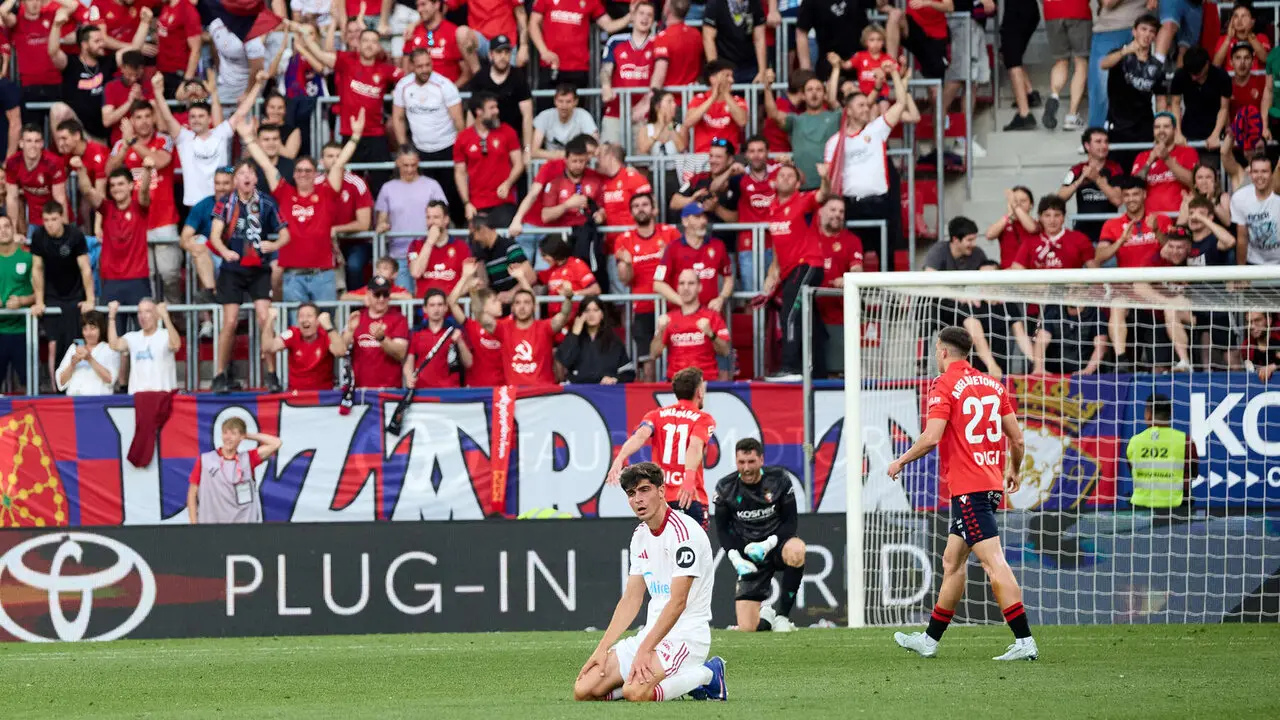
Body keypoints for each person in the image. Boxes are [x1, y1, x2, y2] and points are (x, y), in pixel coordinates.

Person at [889, 326, 1038, 662]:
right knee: (952, 561)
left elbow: (931, 437)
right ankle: (929, 640)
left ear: (942, 351)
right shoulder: (992, 384)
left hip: (969, 491)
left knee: (993, 561)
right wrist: (1013, 470)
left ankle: (1025, 640)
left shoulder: (944, 385)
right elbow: (1016, 439)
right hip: (990, 486)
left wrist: (900, 461)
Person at [572, 461, 725, 704]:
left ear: (661, 491)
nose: (638, 500)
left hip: (686, 638)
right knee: (584, 690)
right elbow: (631, 599)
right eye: (631, 494)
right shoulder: (640, 536)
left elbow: (677, 602)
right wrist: (602, 648)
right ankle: (648, 679)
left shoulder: (685, 535)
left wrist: (644, 651)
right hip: (651, 635)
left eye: (644, 490)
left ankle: (708, 675)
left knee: (637, 693)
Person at [243, 110, 361, 306]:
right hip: (293, 276)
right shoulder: (285, 193)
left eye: (308, 170)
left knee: (325, 326)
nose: (303, 174)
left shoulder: (327, 193)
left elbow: (339, 163)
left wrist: (355, 136)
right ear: (294, 174)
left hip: (323, 275)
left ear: (316, 173)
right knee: (297, 329)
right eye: (299, 170)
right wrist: (248, 138)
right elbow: (265, 164)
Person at [208, 160, 291, 393]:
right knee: (230, 321)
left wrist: (272, 244)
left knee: (265, 318)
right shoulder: (226, 203)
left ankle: (272, 375)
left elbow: (286, 234)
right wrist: (224, 251)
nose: (245, 177)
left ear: (255, 179)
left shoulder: (265, 202)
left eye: (250, 173)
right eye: (241, 173)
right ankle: (219, 375)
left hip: (258, 269)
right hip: (232, 270)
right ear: (235, 180)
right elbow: (214, 235)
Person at [825, 65, 912, 269]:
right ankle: (857, 302)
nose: (866, 109)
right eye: (861, 105)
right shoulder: (835, 142)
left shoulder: (876, 130)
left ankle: (889, 301)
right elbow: (830, 178)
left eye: (867, 105)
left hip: (879, 204)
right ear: (848, 110)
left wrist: (895, 76)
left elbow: (900, 103)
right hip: (851, 207)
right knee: (853, 261)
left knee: (886, 261)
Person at [715, 437, 805, 633]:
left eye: (751, 462)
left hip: (776, 547)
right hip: (750, 555)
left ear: (761, 460)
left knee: (797, 549)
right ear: (736, 461)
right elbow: (723, 529)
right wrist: (736, 557)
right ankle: (767, 617)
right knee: (748, 628)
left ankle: (782, 617)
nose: (746, 468)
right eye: (741, 462)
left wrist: (767, 545)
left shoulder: (779, 479)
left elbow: (790, 523)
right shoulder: (725, 487)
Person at [294, 25, 402, 188]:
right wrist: (307, 38)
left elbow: (408, 78)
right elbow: (321, 55)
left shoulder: (385, 69)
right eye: (365, 40)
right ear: (358, 43)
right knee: (348, 183)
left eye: (374, 41)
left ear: (379, 46)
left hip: (376, 135)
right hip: (350, 134)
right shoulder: (346, 61)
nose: (369, 44)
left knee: (382, 181)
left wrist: (398, 90)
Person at [607, 366, 716, 527]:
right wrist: (689, 479)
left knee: (661, 550)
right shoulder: (703, 418)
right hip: (690, 496)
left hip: (660, 499)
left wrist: (620, 458)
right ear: (699, 391)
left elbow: (640, 435)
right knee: (696, 550)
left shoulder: (656, 415)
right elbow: (694, 446)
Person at [760, 161, 831, 381]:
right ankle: (819, 371)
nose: (786, 179)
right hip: (790, 270)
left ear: (799, 183)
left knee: (790, 312)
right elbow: (777, 248)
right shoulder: (772, 209)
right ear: (774, 180)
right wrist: (772, 275)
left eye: (791, 176)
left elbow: (823, 196)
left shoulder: (803, 200)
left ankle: (790, 367)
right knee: (810, 319)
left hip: (808, 264)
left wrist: (825, 178)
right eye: (782, 175)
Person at [106, 100, 182, 304]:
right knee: (145, 278)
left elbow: (159, 162)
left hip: (164, 220)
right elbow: (109, 171)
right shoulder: (121, 145)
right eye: (138, 117)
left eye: (148, 116)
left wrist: (133, 143)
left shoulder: (164, 140)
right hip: (136, 224)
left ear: (154, 118)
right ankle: (154, 322)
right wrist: (124, 148)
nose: (144, 122)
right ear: (131, 121)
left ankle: (175, 316)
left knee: (170, 274)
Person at [154, 70, 260, 211]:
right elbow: (167, 117)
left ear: (209, 118)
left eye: (201, 116)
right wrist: (157, 92)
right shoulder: (184, 138)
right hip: (195, 206)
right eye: (193, 117)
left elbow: (242, 111)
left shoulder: (220, 133)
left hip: (222, 204)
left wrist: (258, 84)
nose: (196, 119)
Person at [392, 47, 465, 218]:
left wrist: (461, 150)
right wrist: (404, 149)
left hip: (447, 148)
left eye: (428, 65)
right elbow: (398, 118)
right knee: (424, 198)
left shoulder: (445, 85)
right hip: (420, 151)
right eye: (420, 66)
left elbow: (459, 121)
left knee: (452, 196)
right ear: (411, 66)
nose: (425, 70)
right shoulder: (403, 86)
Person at [78, 162, 152, 328]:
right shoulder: (107, 208)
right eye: (112, 185)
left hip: (137, 279)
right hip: (111, 282)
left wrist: (147, 170)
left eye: (120, 184)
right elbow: (87, 191)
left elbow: (145, 192)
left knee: (144, 334)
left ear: (131, 185)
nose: (116, 188)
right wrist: (80, 170)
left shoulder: (139, 208)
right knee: (112, 338)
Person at [616, 193, 681, 381]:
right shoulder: (624, 240)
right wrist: (627, 264)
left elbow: (683, 267)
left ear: (654, 210)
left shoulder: (669, 233)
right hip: (643, 308)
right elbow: (624, 280)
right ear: (631, 212)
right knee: (648, 363)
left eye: (645, 204)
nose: (641, 209)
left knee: (675, 361)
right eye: (636, 206)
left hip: (672, 306)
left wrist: (668, 257)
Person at [30, 201, 95, 388]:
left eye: (54, 219)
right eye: (46, 220)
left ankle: (74, 385)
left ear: (62, 218)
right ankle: (55, 386)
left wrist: (90, 299)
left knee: (75, 342)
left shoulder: (75, 235)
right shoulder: (38, 236)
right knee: (53, 344)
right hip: (52, 295)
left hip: (75, 294)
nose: (49, 223)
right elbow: (37, 269)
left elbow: (85, 268)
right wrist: (39, 301)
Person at [375, 148, 449, 287]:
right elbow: (381, 219)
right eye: (405, 165)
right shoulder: (387, 188)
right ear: (397, 163)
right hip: (399, 255)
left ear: (418, 163)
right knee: (404, 299)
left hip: (428, 253)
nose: (410, 170)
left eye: (413, 165)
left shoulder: (432, 185)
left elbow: (443, 215)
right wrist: (382, 225)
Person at [186, 417, 282, 525]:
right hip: (212, 526)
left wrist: (247, 435)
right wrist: (194, 525)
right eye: (225, 433)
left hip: (243, 526)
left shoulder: (248, 458)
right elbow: (192, 493)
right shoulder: (206, 460)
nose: (228, 437)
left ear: (241, 437)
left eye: (233, 433)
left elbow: (276, 443)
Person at [762, 66, 840, 193]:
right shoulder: (796, 120)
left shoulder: (835, 117)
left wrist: (836, 70)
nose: (814, 93)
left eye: (818, 89)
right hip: (803, 188)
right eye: (809, 90)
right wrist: (767, 87)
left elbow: (838, 104)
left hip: (831, 186)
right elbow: (773, 113)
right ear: (803, 95)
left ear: (824, 94)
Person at [1100, 15, 1165, 168]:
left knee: (1141, 173)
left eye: (1151, 31)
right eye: (1143, 29)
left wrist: (1160, 129)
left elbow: (1161, 100)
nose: (1147, 34)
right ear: (1134, 31)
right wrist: (1125, 51)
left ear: (1155, 36)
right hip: (1118, 126)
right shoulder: (1120, 55)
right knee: (1117, 172)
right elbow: (1104, 64)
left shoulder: (1157, 66)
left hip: (1144, 128)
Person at [454, 92, 524, 227]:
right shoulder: (463, 138)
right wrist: (467, 203)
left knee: (502, 240)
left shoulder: (508, 132)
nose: (496, 111)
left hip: (504, 201)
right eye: (491, 108)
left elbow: (518, 164)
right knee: (476, 243)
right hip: (477, 204)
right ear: (479, 112)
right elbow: (460, 173)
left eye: (496, 107)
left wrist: (508, 183)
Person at [528, 0, 627, 94]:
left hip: (578, 67)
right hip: (551, 65)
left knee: (577, 111)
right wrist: (543, 51)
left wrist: (630, 17)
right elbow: (533, 23)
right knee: (547, 109)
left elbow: (608, 26)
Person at [812, 196, 863, 377]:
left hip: (837, 317)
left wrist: (846, 278)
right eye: (833, 210)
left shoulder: (851, 240)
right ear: (821, 212)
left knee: (837, 372)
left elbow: (857, 269)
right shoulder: (809, 238)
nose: (838, 215)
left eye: (841, 211)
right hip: (810, 316)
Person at [651, 268, 731, 382]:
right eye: (682, 283)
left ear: (700, 287)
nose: (686, 288)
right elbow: (654, 354)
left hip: (705, 382)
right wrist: (660, 331)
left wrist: (710, 334)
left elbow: (725, 351)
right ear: (677, 288)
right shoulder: (669, 318)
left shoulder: (712, 316)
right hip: (676, 383)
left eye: (691, 283)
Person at [653, 204, 733, 313]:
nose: (703, 221)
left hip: (709, 315)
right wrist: (684, 302)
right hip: (680, 315)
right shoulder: (672, 248)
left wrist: (721, 298)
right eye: (697, 217)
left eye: (704, 217)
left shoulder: (718, 246)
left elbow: (728, 278)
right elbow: (657, 283)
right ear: (685, 221)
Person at [1125, 393, 1197, 515]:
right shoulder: (1185, 441)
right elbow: (1193, 474)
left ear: (1148, 414)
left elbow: (1132, 471)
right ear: (1170, 415)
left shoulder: (1134, 442)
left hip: (1141, 508)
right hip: (1176, 507)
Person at [464, 35, 534, 155]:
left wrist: (527, 151)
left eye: (507, 52)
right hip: (485, 139)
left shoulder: (518, 77)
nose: (503, 56)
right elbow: (472, 113)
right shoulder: (480, 78)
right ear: (491, 55)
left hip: (513, 141)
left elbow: (527, 116)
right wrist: (469, 143)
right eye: (499, 52)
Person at [489, 285, 574, 385]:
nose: (522, 307)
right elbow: (482, 318)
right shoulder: (503, 328)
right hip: (515, 394)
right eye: (517, 303)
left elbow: (564, 315)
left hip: (543, 393)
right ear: (512, 308)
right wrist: (474, 293)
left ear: (534, 307)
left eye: (527, 302)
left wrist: (568, 299)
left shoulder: (545, 327)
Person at [599, 1, 656, 145]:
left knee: (643, 163)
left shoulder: (657, 44)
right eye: (641, 13)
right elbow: (606, 69)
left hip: (644, 115)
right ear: (633, 16)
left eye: (649, 15)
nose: (645, 18)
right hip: (615, 113)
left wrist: (646, 105)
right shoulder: (615, 41)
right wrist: (606, 85)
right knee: (610, 159)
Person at [48, 13, 110, 143]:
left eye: (102, 40)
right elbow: (53, 52)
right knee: (58, 109)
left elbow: (131, 52)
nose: (102, 44)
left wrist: (144, 23)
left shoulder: (107, 62)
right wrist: (56, 26)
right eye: (97, 41)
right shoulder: (71, 63)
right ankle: (63, 151)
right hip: (78, 135)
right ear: (84, 44)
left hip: (102, 137)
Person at [342, 275, 411, 388]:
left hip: (389, 389)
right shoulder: (357, 317)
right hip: (359, 390)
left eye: (385, 294)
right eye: (377, 294)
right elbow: (341, 351)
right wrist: (349, 331)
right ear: (368, 294)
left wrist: (382, 339)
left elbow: (400, 353)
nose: (381, 299)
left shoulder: (399, 319)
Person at [261, 303, 347, 391]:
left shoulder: (326, 335)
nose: (304, 320)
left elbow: (341, 352)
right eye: (301, 316)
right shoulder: (292, 334)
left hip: (323, 396)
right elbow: (268, 347)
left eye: (309, 316)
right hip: (296, 397)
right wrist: (269, 319)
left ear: (318, 321)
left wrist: (329, 327)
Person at [1058, 128, 1123, 242]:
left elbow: (1118, 200)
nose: (1104, 145)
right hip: (1083, 235)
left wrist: (1097, 179)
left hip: (1110, 235)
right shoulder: (1077, 169)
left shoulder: (1115, 169)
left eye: (1106, 141)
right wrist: (1079, 181)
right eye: (1098, 142)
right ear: (1087, 146)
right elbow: (1059, 198)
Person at [107, 298, 180, 393]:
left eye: (147, 312)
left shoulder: (166, 334)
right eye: (140, 312)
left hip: (162, 396)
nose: (143, 316)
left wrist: (165, 316)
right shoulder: (133, 337)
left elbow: (176, 345)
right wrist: (112, 317)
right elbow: (114, 345)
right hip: (138, 396)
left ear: (157, 314)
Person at [6, 124, 68, 235]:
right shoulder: (13, 163)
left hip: (56, 218)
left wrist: (64, 231)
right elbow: (12, 198)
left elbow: (60, 198)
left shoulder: (53, 162)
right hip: (34, 222)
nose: (33, 145)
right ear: (21, 144)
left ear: (42, 144)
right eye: (29, 141)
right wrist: (13, 231)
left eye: (37, 141)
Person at [557, 295, 635, 383]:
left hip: (604, 390)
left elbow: (629, 373)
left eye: (595, 310)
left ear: (602, 314)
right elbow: (564, 361)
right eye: (587, 310)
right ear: (581, 315)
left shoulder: (613, 340)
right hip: (578, 390)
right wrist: (575, 334)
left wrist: (615, 379)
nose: (591, 314)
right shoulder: (573, 337)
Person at [447, 272, 506, 387]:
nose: (500, 303)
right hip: (477, 387)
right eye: (494, 301)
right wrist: (465, 277)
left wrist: (522, 278)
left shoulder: (507, 325)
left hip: (502, 388)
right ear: (484, 307)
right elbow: (451, 302)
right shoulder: (472, 326)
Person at [400, 0, 481, 85]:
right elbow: (406, 70)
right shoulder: (412, 33)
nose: (419, 9)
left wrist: (450, 91)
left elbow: (467, 73)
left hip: (447, 92)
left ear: (437, 4)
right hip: (420, 93)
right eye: (418, 6)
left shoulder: (453, 32)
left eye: (423, 4)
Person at [405, 289, 472, 388]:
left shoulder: (456, 331)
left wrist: (460, 341)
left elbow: (469, 363)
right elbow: (409, 363)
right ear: (425, 309)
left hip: (450, 392)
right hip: (422, 391)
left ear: (446, 307)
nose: (436, 309)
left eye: (440, 305)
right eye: (432, 305)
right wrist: (409, 377)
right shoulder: (416, 332)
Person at [1041, 0, 1092, 130]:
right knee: (1081, 62)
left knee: (1061, 61)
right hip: (1077, 8)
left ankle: (1054, 95)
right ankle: (1072, 116)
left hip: (1052, 10)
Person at [1010, 196, 1096, 270]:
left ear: (1063, 217)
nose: (1052, 221)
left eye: (1057, 215)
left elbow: (1095, 273)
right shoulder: (1030, 242)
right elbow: (1016, 272)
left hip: (1071, 288)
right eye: (1047, 215)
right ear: (1040, 217)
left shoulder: (1079, 239)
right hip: (1038, 289)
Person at [1168, 47, 1231, 148]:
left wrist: (1215, 135)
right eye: (1191, 74)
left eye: (1197, 73)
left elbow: (1224, 108)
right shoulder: (1181, 75)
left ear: (1207, 64)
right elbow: (1175, 104)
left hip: (1214, 129)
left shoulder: (1221, 76)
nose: (1193, 78)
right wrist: (1177, 133)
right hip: (1188, 130)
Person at [408, 201, 470, 298]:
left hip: (451, 308)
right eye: (428, 217)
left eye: (436, 217)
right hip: (424, 310)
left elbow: (468, 282)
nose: (431, 222)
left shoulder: (461, 246)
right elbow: (416, 273)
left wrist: (449, 299)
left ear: (446, 219)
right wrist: (429, 242)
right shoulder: (415, 245)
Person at [470, 215, 536, 303]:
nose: (473, 239)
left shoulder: (509, 247)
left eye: (473, 234)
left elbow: (531, 276)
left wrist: (511, 293)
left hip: (514, 305)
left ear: (482, 230)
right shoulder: (483, 254)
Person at [0, 215, 33, 392]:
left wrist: (22, 301)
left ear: (13, 230)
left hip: (23, 331)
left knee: (27, 384)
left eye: (6, 226)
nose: (3, 231)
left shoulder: (28, 258)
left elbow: (40, 294)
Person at [686, 61, 748, 154]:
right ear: (713, 79)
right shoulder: (699, 99)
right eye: (727, 76)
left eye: (732, 76)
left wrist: (726, 94)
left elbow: (742, 121)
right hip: (703, 157)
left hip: (729, 157)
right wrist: (712, 98)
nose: (732, 80)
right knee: (685, 164)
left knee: (738, 167)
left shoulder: (738, 100)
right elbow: (688, 122)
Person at [1230, 154, 1280, 266]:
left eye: (1264, 171)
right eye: (1255, 171)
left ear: (1272, 174)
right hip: (1254, 262)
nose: (1259, 176)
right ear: (1250, 174)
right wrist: (1241, 273)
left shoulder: (1278, 196)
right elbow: (1242, 238)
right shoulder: (1240, 198)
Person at [55, 310, 119, 395]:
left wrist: (90, 359)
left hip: (98, 402)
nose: (88, 333)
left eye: (92, 328)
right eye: (85, 329)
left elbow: (110, 379)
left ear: (101, 328)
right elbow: (61, 382)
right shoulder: (74, 348)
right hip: (75, 402)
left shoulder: (110, 349)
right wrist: (72, 365)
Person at [703, 0, 766, 84]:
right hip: (724, 66)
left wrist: (762, 71)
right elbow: (708, 38)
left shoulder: (754, 3)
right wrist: (715, 72)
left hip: (750, 67)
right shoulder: (715, 3)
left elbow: (760, 38)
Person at [650, 0, 704, 94]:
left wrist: (651, 99)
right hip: (692, 99)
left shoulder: (663, 37)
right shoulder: (696, 35)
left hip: (670, 102)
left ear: (667, 9)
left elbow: (659, 75)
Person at [532, 85, 599, 160]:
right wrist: (564, 155)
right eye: (560, 101)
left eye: (568, 101)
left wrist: (564, 155)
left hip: (577, 166)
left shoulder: (583, 116)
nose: (564, 106)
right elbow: (533, 151)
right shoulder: (544, 116)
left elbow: (594, 148)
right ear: (555, 101)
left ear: (576, 102)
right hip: (551, 165)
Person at [986, 186, 1039, 267]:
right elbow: (989, 235)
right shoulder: (1004, 223)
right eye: (1015, 201)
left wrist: (1015, 205)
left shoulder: (1037, 223)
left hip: (1029, 273)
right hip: (1007, 274)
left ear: (1031, 205)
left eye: (1023, 201)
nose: (1018, 204)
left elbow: (1032, 228)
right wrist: (1008, 215)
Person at [341, 256, 415, 301]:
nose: (380, 271)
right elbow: (344, 297)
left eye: (385, 268)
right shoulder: (370, 289)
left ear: (394, 274)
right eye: (378, 268)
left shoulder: (397, 290)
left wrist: (381, 295)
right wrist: (367, 297)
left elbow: (409, 297)